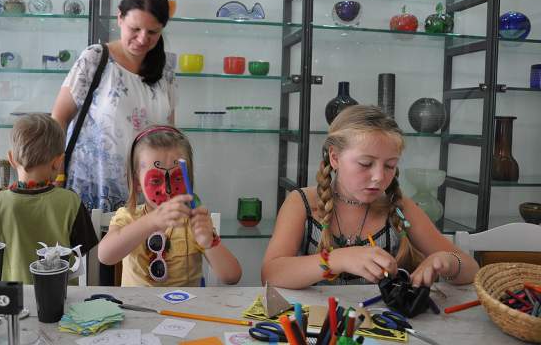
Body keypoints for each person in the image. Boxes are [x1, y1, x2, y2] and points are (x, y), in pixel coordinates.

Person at [261, 105, 478, 289]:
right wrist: (337, 259)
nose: (379, 177)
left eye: (390, 165)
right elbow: (270, 274)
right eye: (365, 164)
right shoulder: (302, 203)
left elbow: (472, 269)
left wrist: (449, 262)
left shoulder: (399, 207)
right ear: (335, 158)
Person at [52, 0, 176, 212]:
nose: (142, 39)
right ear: (119, 18)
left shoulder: (165, 70)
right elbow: (58, 119)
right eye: (135, 28)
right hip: (90, 191)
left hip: (147, 196)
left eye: (152, 32)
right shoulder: (95, 58)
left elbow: (170, 135)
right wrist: (56, 175)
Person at [97, 125, 242, 286]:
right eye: (155, 180)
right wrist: (151, 222)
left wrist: (210, 242)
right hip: (136, 303)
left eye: (178, 179)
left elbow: (232, 276)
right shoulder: (128, 216)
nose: (167, 189)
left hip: (186, 302)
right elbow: (105, 256)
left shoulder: (193, 222)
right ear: (137, 182)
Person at [0, 113, 99, 284]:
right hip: (60, 296)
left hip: (11, 297)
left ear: (11, 159)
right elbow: (85, 250)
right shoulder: (71, 202)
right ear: (58, 162)